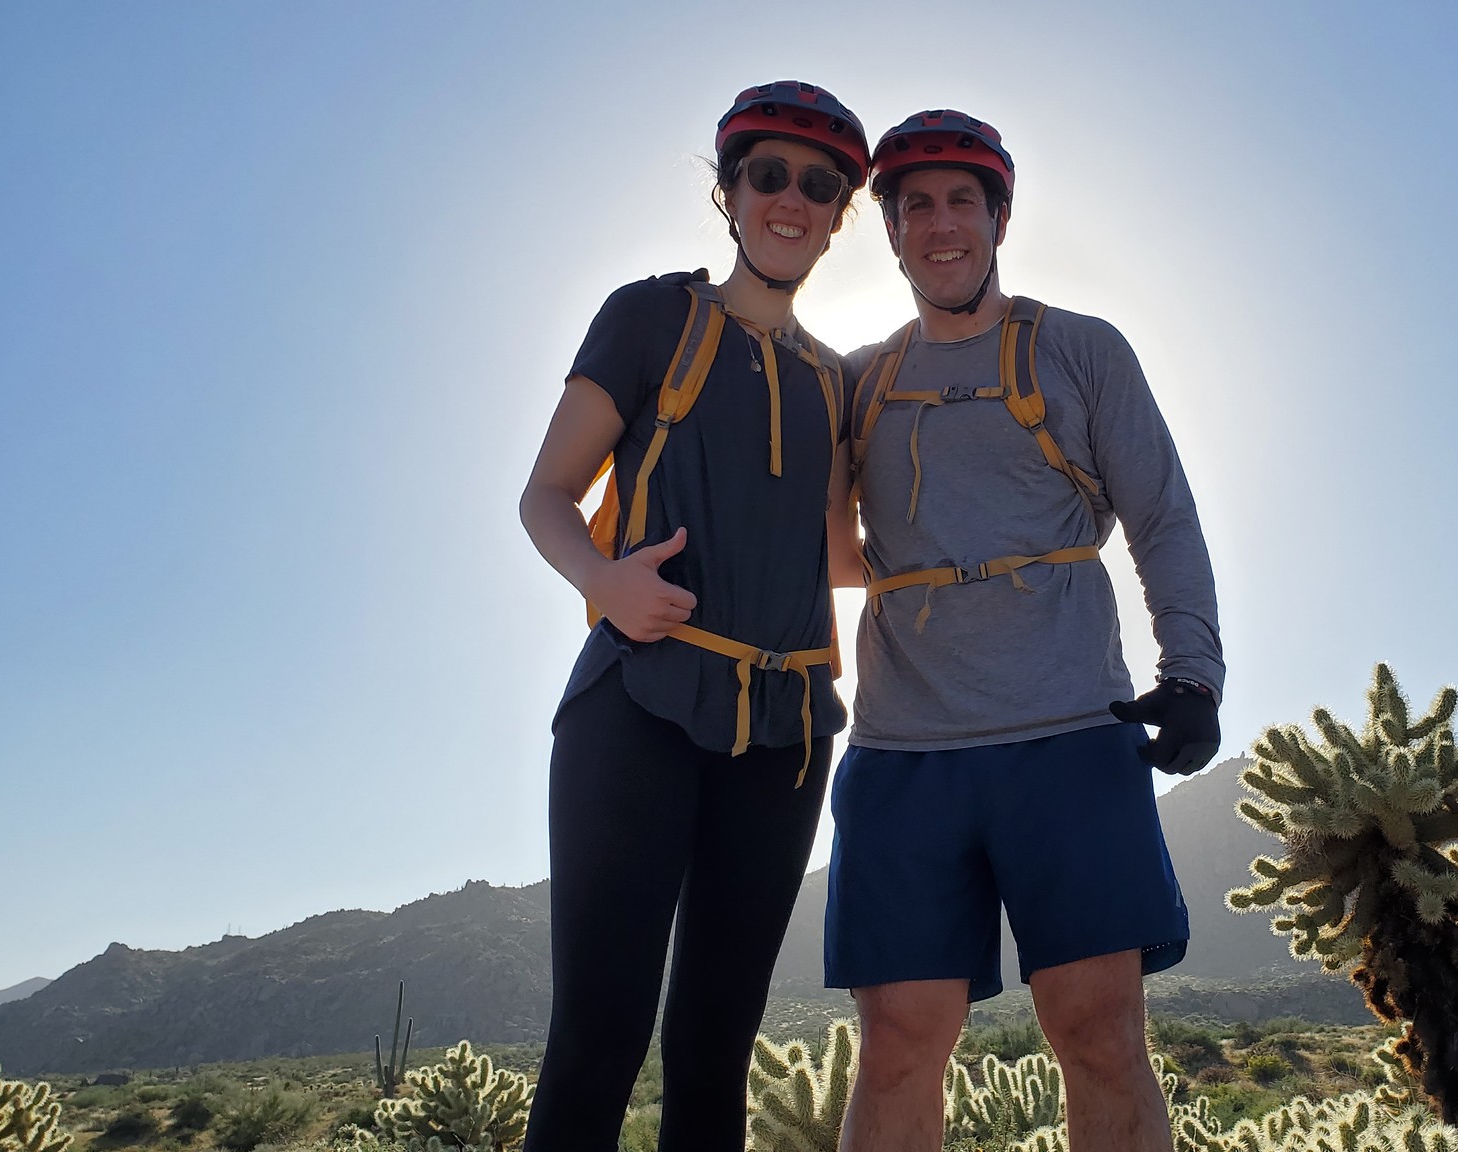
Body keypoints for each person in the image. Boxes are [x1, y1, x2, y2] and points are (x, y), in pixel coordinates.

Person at [825, 109, 1225, 1152]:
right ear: (893, 230)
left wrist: (1193, 675)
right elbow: (800, 534)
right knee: (901, 1040)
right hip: (902, 751)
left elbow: (1162, 516)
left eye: (963, 200)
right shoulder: (857, 380)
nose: (940, 224)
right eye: (916, 205)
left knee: (1095, 1030)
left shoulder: (1081, 351)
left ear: (999, 219)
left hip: (1067, 733)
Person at [516, 80, 868, 1151]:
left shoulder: (838, 382)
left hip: (785, 735)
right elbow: (545, 497)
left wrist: (1012, 553)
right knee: (599, 1031)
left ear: (840, 213)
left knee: (716, 1043)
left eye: (820, 185)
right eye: (768, 175)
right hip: (637, 701)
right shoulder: (649, 315)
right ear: (728, 192)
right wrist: (606, 584)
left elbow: (841, 556)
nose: (791, 199)